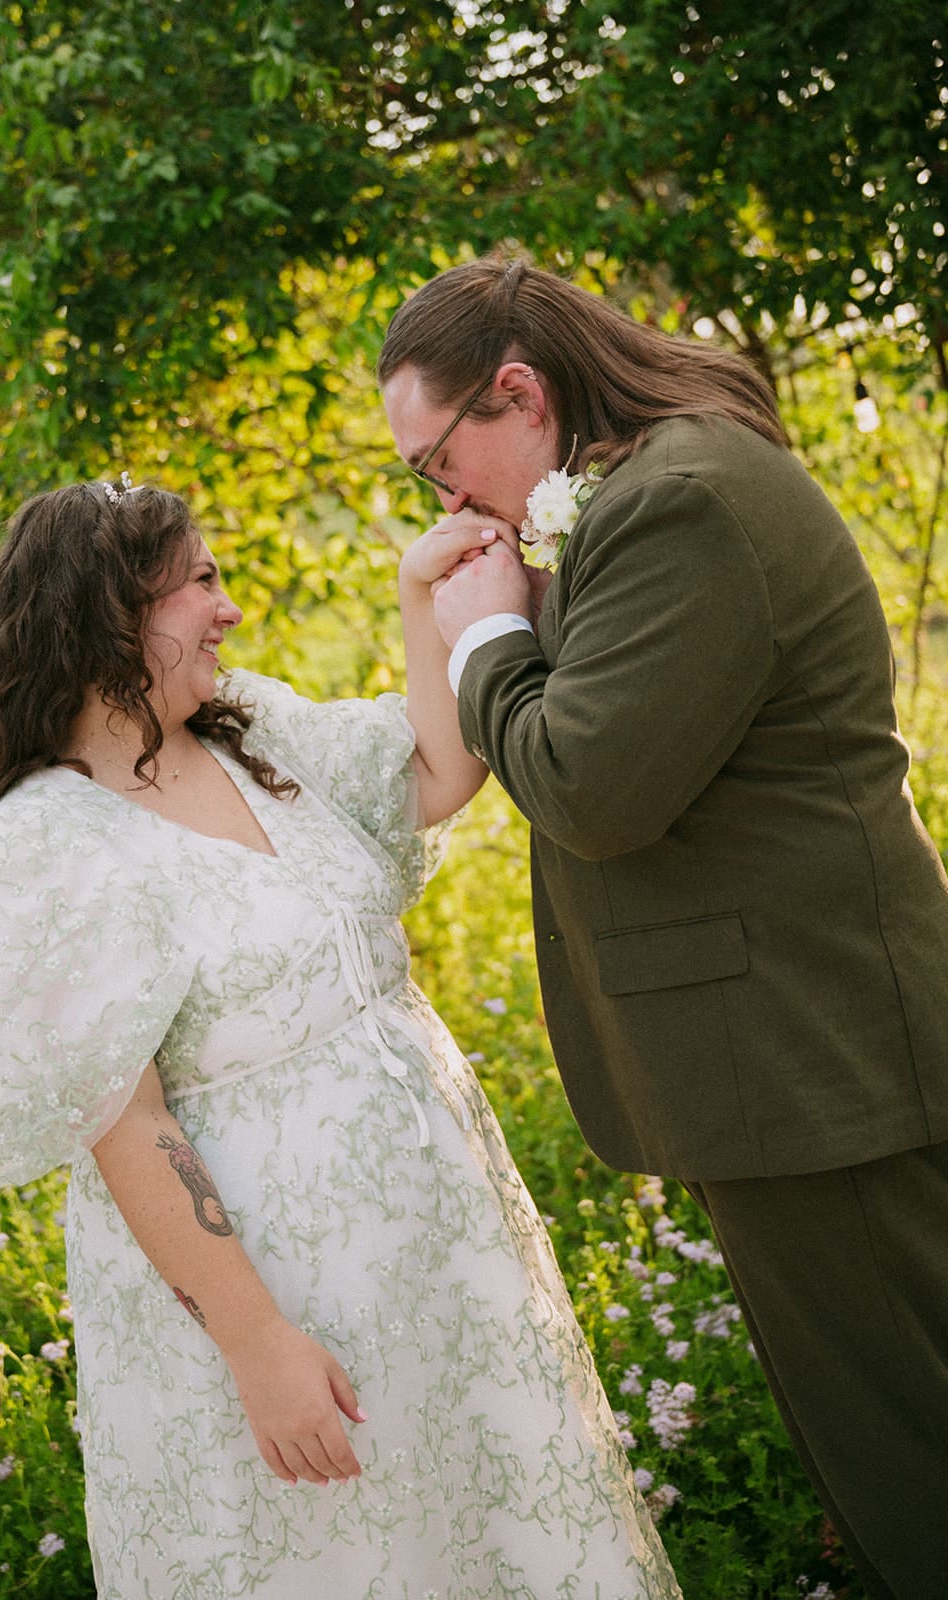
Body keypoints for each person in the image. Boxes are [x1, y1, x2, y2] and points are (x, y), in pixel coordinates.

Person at [0, 477, 681, 1599]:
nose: (228, 610)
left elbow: (435, 770)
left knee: (492, 1533)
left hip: (437, 1259)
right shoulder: (38, 845)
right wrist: (259, 1347)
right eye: (199, 583)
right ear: (104, 618)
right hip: (275, 1298)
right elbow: (124, 1120)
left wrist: (420, 593)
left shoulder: (252, 734)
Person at [378, 254, 948, 1600]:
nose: (443, 498)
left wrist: (481, 643)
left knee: (910, 1460)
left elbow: (589, 788)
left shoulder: (679, 500)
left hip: (819, 1059)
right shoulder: (645, 486)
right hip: (796, 1061)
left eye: (435, 462)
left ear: (516, 392)